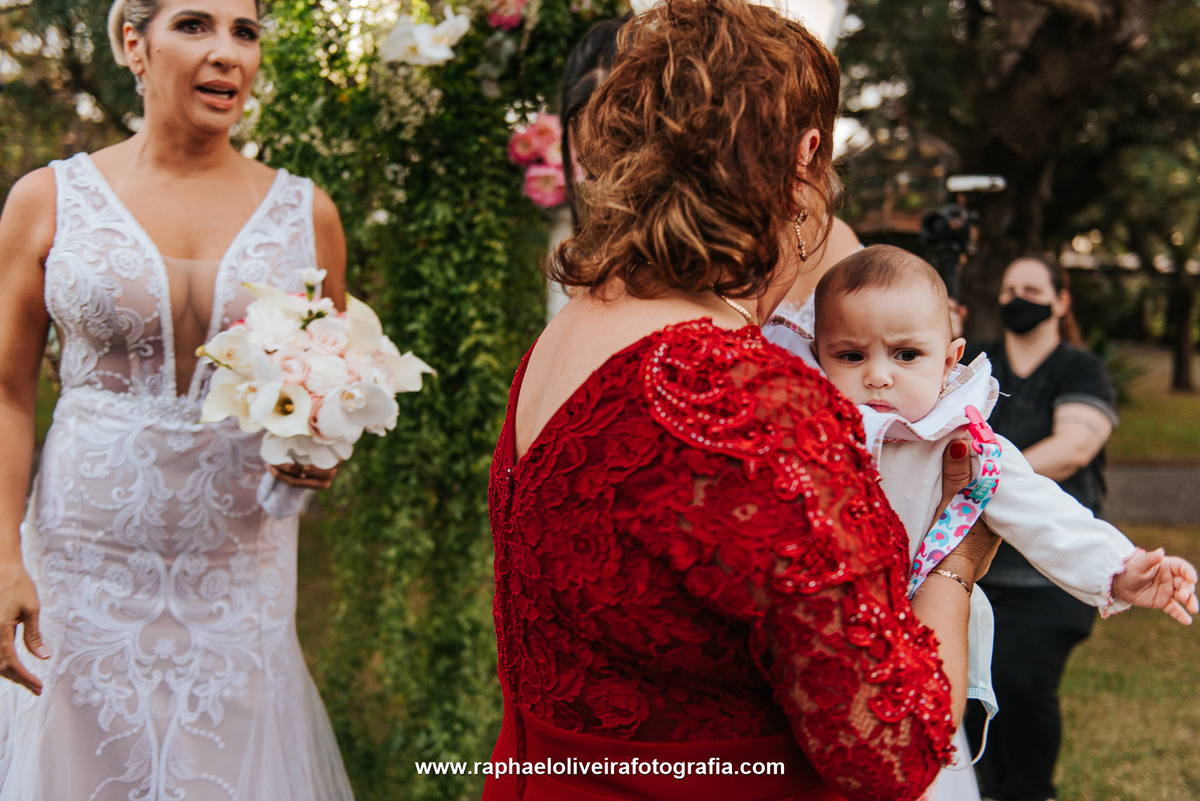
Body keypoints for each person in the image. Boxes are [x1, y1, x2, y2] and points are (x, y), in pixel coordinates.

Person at [484, 2, 1001, 800]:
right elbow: (892, 749)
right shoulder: (743, 396)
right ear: (804, 157)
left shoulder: (570, 331)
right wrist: (956, 564)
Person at [0, 0, 355, 798]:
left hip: (239, 569)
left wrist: (315, 451)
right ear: (134, 41)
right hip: (82, 565)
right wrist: (1, 556)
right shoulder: (48, 199)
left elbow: (330, 381)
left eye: (246, 32)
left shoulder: (309, 216)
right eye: (194, 26)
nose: (226, 52)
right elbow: (7, 390)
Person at [960, 256, 1126, 801]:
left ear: (1060, 301)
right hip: (977, 572)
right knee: (969, 698)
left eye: (1031, 288)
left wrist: (996, 481)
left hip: (1046, 577)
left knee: (1023, 685)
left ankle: (1031, 793)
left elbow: (1074, 446)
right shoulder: (980, 363)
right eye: (1009, 287)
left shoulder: (1079, 369)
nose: (1016, 296)